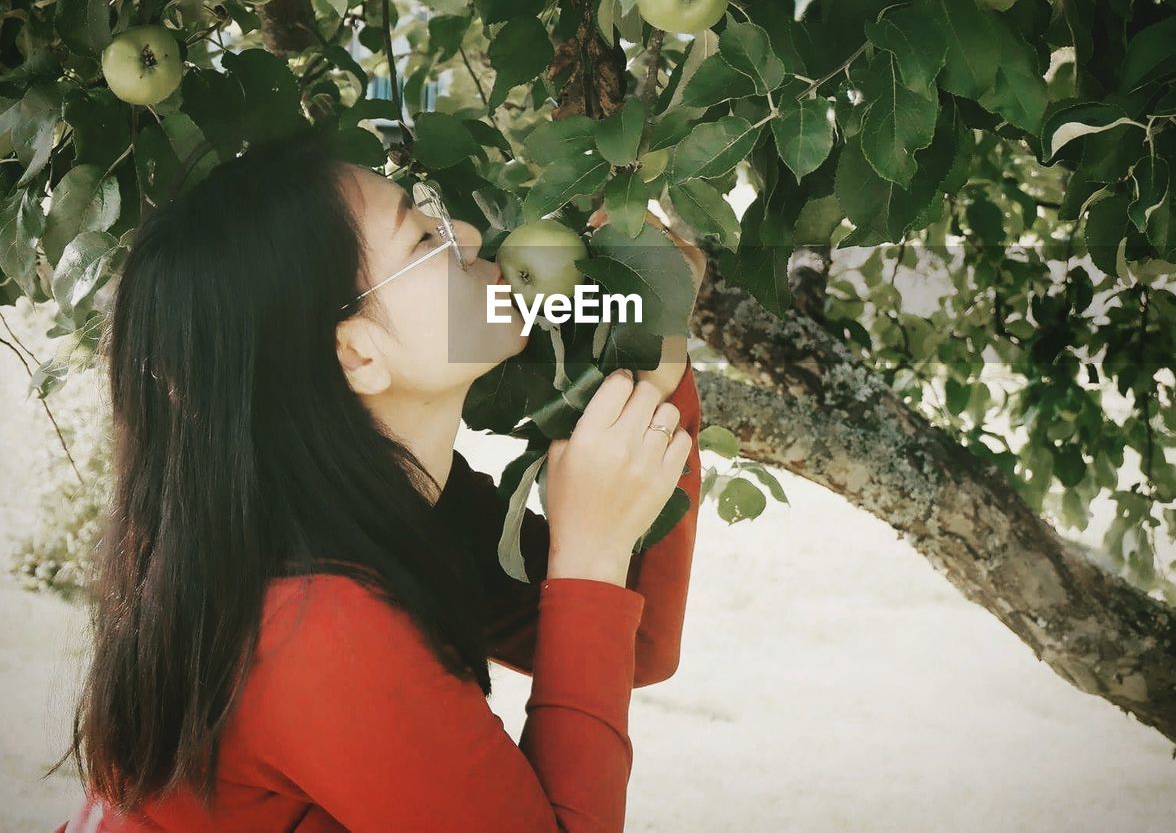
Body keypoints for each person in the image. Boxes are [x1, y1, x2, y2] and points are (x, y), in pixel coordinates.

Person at [47, 128, 706, 832]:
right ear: (356, 355)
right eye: (423, 240)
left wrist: (648, 347)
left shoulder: (379, 510)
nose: (470, 233)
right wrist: (590, 551)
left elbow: (636, 643)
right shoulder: (313, 625)